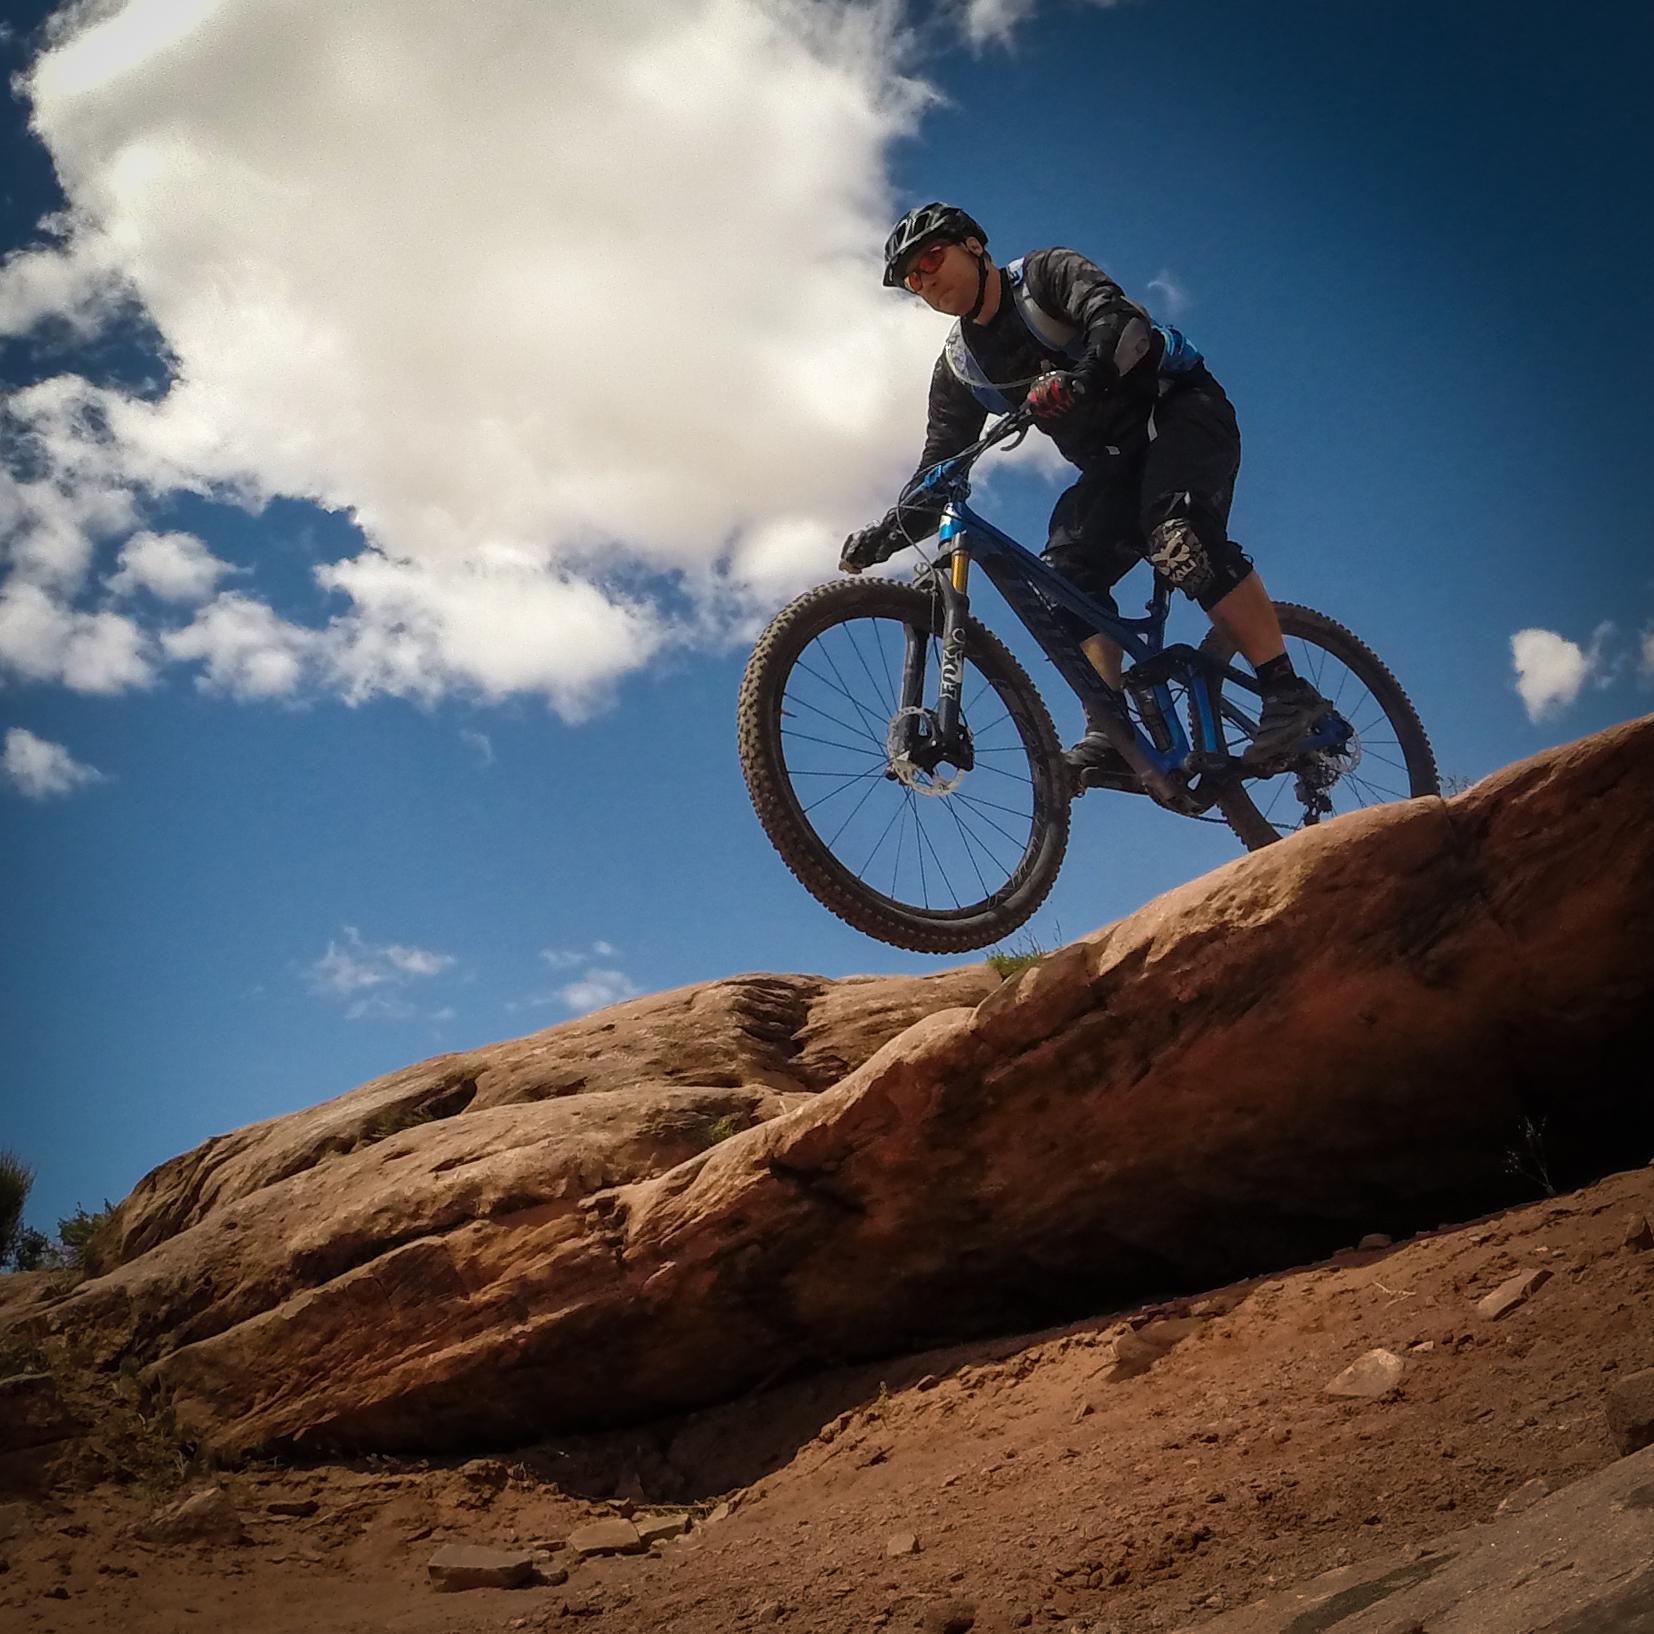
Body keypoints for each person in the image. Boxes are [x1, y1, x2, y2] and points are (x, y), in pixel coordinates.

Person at [840, 201, 1328, 773]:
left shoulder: (1044, 276)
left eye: (930, 259)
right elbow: (939, 465)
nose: (924, 282)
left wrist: (1083, 375)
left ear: (973, 245)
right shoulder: (960, 366)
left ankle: (1288, 694)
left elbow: (1120, 323)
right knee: (1061, 581)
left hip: (1179, 413)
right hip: (1115, 466)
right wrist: (887, 533)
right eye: (911, 279)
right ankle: (1113, 728)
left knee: (1176, 536)